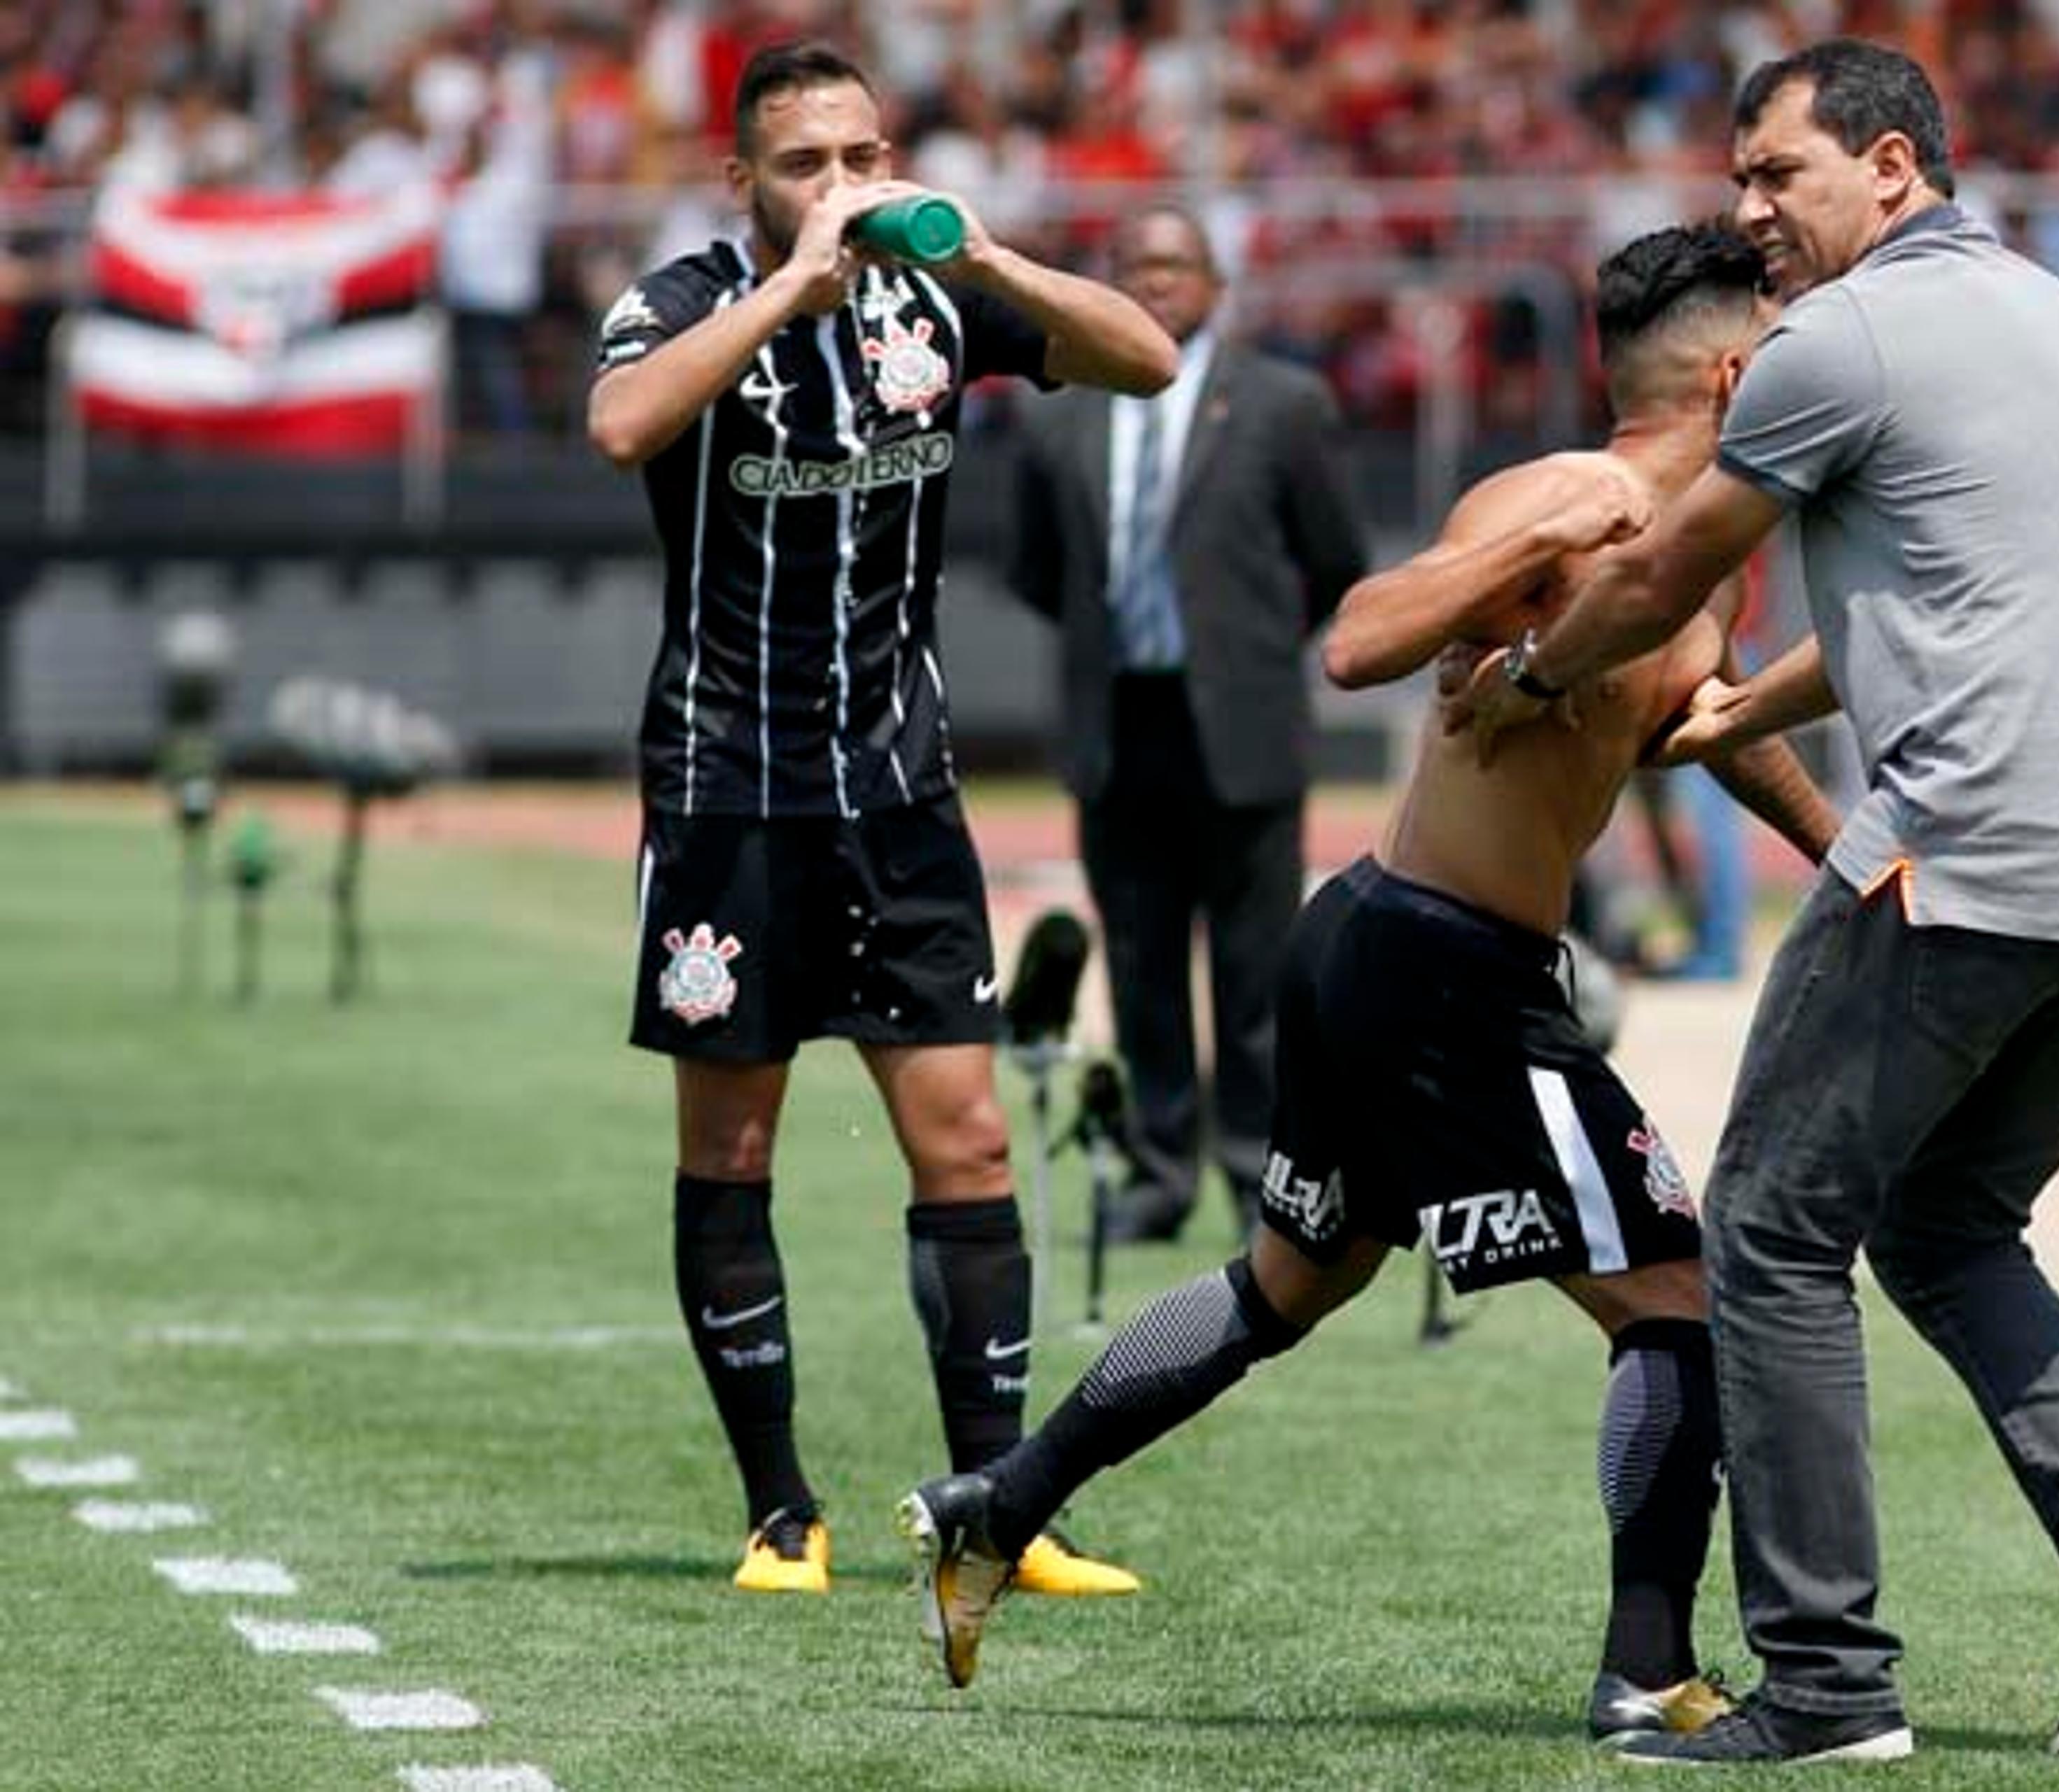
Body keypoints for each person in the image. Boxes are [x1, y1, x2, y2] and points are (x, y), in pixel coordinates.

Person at [900, 223, 1843, 1737]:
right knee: (1684, 1297)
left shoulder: (1703, 558)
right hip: (1442, 970)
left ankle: (998, 1507)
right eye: (1795, 347)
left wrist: (1843, 843)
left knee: (1287, 1287)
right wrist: (1529, 560)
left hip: (1385, 949)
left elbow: (1695, 723)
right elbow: (1356, 640)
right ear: (1739, 371)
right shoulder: (1574, 497)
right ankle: (1646, 1673)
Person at [1460, 41, 2059, 1768]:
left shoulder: (1838, 338)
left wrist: (1525, 673)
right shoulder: (2056, 319)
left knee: (1770, 1225)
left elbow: (1664, 569)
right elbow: (1964, 586)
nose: (1748, 213)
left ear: (1891, 169)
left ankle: (1824, 1685)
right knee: (1947, 1221)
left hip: (1967, 851)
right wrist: (1756, 711)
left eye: (1775, 176)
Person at [584, 41, 1177, 1600]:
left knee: (970, 1138)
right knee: (735, 1141)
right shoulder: (683, 297)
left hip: (902, 794)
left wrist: (985, 253)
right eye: (805, 166)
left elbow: (1149, 358)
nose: (841, 190)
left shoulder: (939, 299)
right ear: (746, 183)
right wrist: (790, 285)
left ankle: (1001, 1506)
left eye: (862, 157)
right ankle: (781, 1512)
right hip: (727, 796)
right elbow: (623, 428)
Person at [1004, 202, 1370, 1243]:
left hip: (1242, 722)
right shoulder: (1057, 410)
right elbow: (1037, 570)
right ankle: (1158, 1171)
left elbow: (1334, 557)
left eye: (1174, 265)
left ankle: (1260, 1170)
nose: (1155, 281)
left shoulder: (1282, 403)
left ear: (1215, 284)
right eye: (1134, 263)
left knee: (1258, 968)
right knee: (1139, 960)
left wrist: (1249, 650)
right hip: (1117, 717)